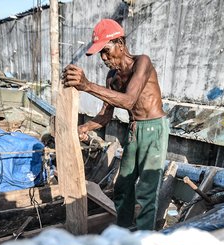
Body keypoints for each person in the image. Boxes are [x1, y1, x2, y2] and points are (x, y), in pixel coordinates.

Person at [63, 19, 169, 230]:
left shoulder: (142, 63)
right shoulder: (112, 77)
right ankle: (123, 231)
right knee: (122, 186)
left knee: (146, 190)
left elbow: (129, 100)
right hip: (133, 131)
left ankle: (143, 241)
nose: (104, 58)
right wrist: (83, 128)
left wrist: (87, 85)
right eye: (100, 53)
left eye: (106, 50)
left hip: (154, 129)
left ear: (120, 43)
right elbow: (105, 116)